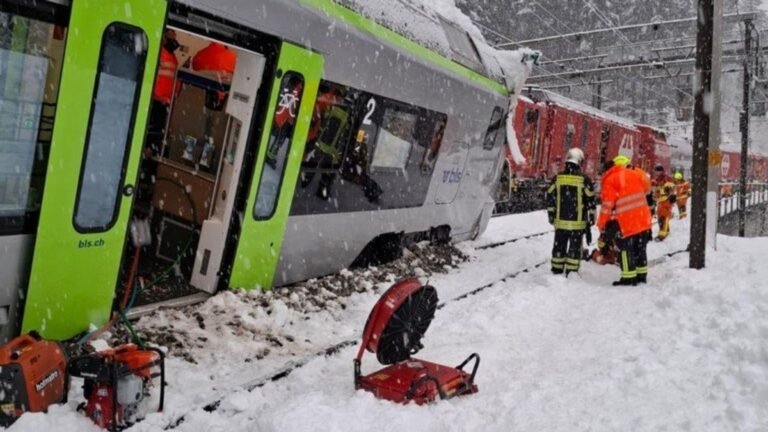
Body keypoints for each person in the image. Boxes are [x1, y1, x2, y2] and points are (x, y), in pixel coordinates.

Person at [597, 155, 653, 286]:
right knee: (640, 248)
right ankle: (641, 276)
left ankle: (628, 278)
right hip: (643, 219)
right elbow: (647, 188)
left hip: (626, 221)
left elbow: (607, 206)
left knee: (625, 249)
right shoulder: (635, 174)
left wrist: (601, 224)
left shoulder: (611, 179)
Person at [546, 148, 596, 276]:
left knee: (559, 246)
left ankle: (556, 269)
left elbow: (549, 196)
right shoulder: (584, 180)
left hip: (560, 222)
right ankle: (571, 271)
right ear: (580, 162)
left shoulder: (558, 178)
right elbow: (591, 201)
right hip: (577, 224)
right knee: (574, 248)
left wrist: (551, 214)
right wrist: (591, 218)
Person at [652, 164, 676, 241]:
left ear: (661, 171)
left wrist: (671, 195)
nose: (656, 173)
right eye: (655, 172)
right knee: (660, 218)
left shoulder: (666, 179)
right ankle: (666, 231)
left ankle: (662, 235)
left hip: (666, 201)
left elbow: (671, 188)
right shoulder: (658, 179)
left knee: (663, 218)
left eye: (657, 171)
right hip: (661, 201)